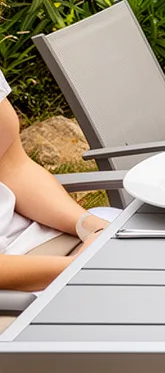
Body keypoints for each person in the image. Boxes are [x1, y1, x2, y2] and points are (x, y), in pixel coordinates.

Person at [0, 71, 118, 331]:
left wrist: (89, 226)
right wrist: (75, 267)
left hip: (42, 242)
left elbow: (11, 165)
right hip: (13, 293)